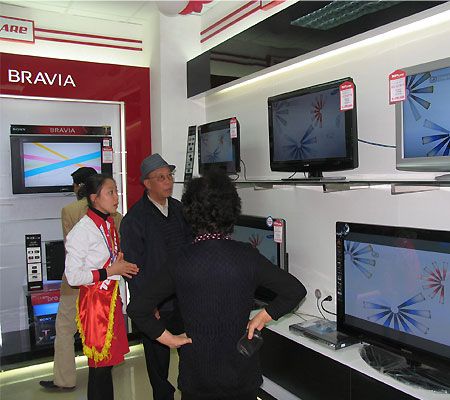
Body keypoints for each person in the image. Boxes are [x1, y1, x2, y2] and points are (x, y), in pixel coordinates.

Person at [127, 171, 307, 400]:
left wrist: (168, 339)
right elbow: (295, 290)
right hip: (241, 373)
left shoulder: (180, 260)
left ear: (190, 212)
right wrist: (261, 318)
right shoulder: (248, 256)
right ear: (232, 210)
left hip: (197, 376)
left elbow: (137, 309)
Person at [40, 167, 122, 391]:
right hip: (100, 290)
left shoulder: (71, 211)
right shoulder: (111, 217)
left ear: (79, 187)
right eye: (111, 192)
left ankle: (65, 379)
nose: (116, 197)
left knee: (66, 331)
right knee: (101, 349)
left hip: (87, 289)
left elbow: (71, 253)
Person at [120, 153, 192, 400]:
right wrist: (148, 304)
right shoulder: (135, 219)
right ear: (147, 183)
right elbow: (132, 268)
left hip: (184, 300)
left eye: (169, 175)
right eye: (160, 177)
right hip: (156, 305)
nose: (168, 181)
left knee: (191, 354)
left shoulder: (180, 210)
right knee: (158, 363)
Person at [64, 174, 139, 400]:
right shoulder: (82, 231)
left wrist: (119, 266)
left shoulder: (108, 224)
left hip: (110, 301)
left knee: (107, 367)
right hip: (95, 305)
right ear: (94, 198)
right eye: (110, 192)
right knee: (99, 369)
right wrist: (109, 271)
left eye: (116, 191)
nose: (116, 197)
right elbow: (73, 276)